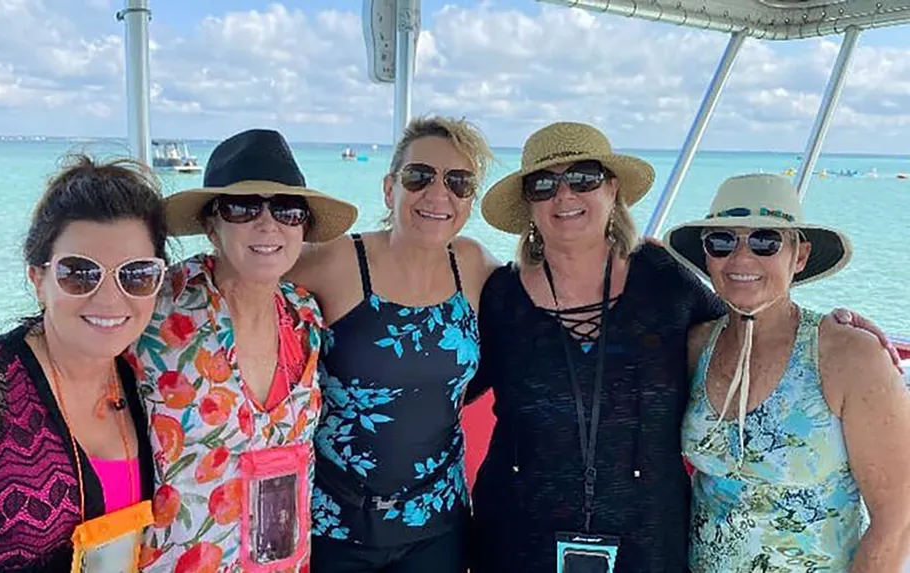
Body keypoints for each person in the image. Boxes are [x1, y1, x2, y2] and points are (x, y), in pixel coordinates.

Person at [463, 122, 899, 573]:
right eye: (544, 184)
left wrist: (834, 328)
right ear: (528, 205)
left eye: (584, 178)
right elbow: (441, 380)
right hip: (515, 540)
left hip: (648, 545)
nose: (565, 195)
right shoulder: (500, 298)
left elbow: (747, 308)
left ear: (612, 190)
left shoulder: (663, 277)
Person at [0, 155, 167, 572]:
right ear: (38, 280)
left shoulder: (144, 380)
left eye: (135, 274)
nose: (109, 298)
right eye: (79, 273)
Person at [131, 129, 358, 572]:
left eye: (288, 210)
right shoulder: (156, 308)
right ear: (212, 225)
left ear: (304, 228)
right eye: (243, 207)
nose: (267, 224)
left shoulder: (305, 314)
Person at [667, 173, 910, 572]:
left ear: (799, 256)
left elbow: (896, 521)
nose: (742, 258)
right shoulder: (696, 348)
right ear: (707, 256)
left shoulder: (848, 356)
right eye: (722, 241)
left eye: (765, 241)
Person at [286, 116, 498, 572]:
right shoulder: (339, 261)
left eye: (458, 182)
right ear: (389, 189)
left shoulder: (475, 266)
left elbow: (550, 300)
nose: (438, 194)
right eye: (419, 176)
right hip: (335, 521)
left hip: (437, 523)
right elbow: (253, 276)